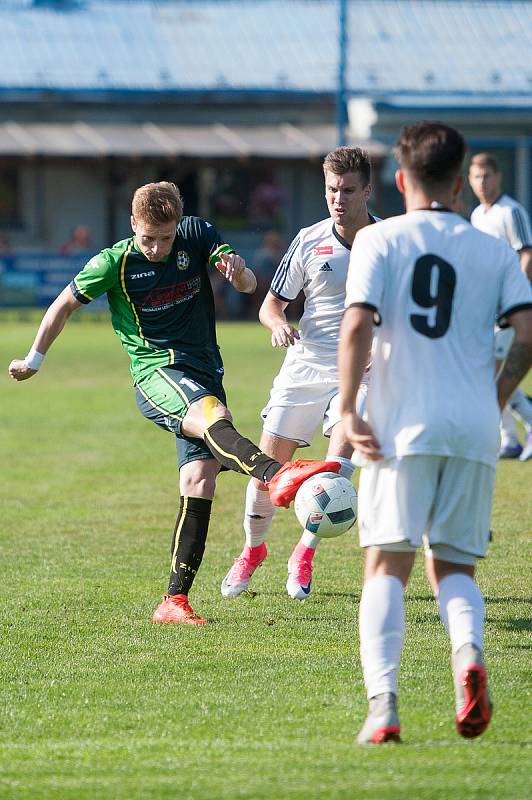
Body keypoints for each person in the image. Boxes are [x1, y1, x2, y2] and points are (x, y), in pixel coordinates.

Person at [8, 181, 339, 625]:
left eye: (166, 237)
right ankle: (277, 473)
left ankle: (173, 601)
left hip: (203, 370)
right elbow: (63, 305)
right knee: (213, 416)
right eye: (148, 237)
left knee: (200, 480)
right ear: (132, 225)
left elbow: (247, 285)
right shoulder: (114, 262)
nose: (158, 248)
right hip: (157, 372)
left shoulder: (197, 235)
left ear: (178, 225)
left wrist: (238, 271)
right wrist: (33, 359)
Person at [339, 121, 532, 744]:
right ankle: (468, 658)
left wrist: (347, 408)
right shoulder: (494, 250)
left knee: (385, 566)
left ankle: (384, 707)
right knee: (454, 569)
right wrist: (494, 398)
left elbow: (357, 327)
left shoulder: (378, 241)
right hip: (473, 428)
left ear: (400, 180)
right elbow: (527, 335)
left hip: (401, 426)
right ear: (459, 182)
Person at [221, 147, 377, 601]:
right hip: (306, 364)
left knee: (337, 470)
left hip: (363, 372)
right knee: (268, 474)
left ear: (368, 190)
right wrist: (278, 325)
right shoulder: (310, 239)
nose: (339, 199)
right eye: (331, 190)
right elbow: (272, 305)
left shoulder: (389, 241)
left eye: (349, 190)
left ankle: (304, 552)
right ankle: (252, 551)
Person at [468, 152, 532, 461]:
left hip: (511, 309)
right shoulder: (478, 214)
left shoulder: (511, 211)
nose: (482, 182)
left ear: (498, 177)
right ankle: (509, 438)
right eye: (476, 177)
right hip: (486, 308)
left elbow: (526, 254)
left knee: (492, 371)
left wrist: (513, 299)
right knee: (486, 373)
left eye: (487, 176)